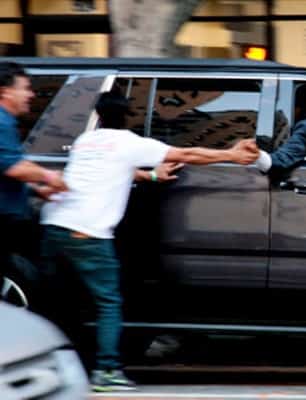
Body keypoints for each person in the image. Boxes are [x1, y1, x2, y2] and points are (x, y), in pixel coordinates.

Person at [39, 91, 260, 392]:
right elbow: (187, 154)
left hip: (54, 225)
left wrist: (152, 177)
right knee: (108, 302)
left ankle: (50, 364)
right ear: (127, 115)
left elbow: (116, 169)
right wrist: (232, 155)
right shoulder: (130, 143)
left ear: (99, 115)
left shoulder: (85, 141)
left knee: (60, 302)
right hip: (86, 231)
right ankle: (107, 372)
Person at [0, 62, 67, 295]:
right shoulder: (0, 122)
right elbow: (13, 167)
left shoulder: (6, 122)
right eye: (25, 88)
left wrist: (37, 190)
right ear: (5, 91)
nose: (31, 94)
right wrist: (48, 176)